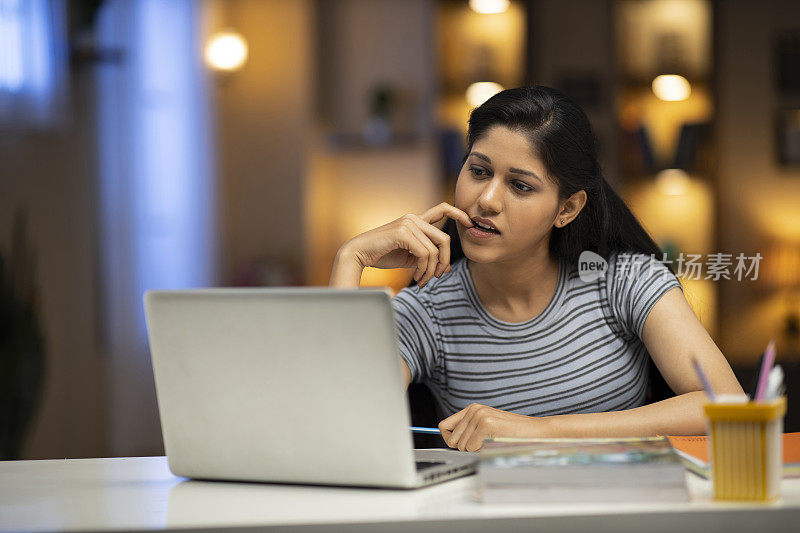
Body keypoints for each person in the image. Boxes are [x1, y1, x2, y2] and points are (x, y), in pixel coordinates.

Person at [328, 85, 744, 452]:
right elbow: (342, 429)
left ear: (567, 208)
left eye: (520, 185)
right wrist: (351, 260)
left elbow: (726, 405)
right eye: (478, 171)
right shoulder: (430, 311)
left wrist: (540, 431)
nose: (487, 199)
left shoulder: (623, 280)